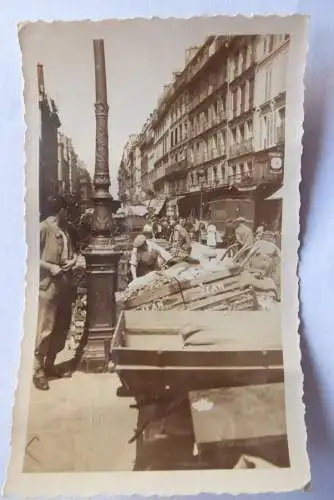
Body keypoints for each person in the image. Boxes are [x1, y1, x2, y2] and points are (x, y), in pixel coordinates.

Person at [34, 196, 78, 391]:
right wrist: (50, 267)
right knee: (46, 328)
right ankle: (38, 371)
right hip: (48, 285)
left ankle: (50, 366)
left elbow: (72, 252)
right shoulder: (42, 228)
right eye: (67, 210)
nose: (68, 214)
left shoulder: (65, 230)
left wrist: (73, 260)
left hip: (64, 284)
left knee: (61, 326)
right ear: (60, 210)